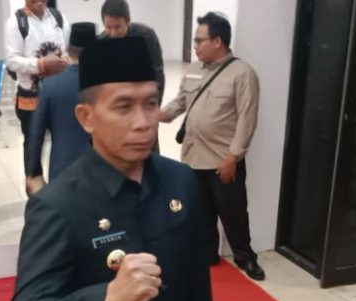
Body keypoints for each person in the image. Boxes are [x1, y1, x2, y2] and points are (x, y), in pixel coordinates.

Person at [10, 37, 221, 301]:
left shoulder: (179, 182)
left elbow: (197, 287)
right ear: (86, 117)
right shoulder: (58, 204)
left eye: (150, 103)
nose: (143, 122)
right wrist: (105, 299)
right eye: (123, 107)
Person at [160, 12, 265, 280]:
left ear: (218, 41)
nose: (194, 46)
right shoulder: (194, 69)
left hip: (223, 161)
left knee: (233, 214)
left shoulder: (242, 74)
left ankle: (245, 257)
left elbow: (247, 120)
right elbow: (180, 102)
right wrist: (157, 114)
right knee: (201, 212)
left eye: (199, 40)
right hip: (193, 157)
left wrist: (233, 157)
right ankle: (207, 254)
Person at [4, 0, 70, 195]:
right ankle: (36, 197)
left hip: (57, 94)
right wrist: (41, 64)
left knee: (62, 141)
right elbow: (12, 61)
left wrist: (64, 61)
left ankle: (61, 191)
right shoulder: (16, 22)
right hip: (30, 97)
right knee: (33, 145)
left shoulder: (58, 18)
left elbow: (66, 51)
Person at [24, 22, 95, 193]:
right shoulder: (106, 86)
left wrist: (33, 172)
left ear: (68, 50)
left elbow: (36, 134)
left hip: (62, 169)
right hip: (101, 170)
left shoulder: (51, 85)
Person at [99, 0, 165, 153]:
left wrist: (152, 108)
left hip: (145, 101)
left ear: (128, 21)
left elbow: (158, 74)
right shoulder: (101, 42)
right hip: (118, 107)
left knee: (149, 149)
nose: (113, 33)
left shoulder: (146, 36)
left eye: (118, 27)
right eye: (108, 27)